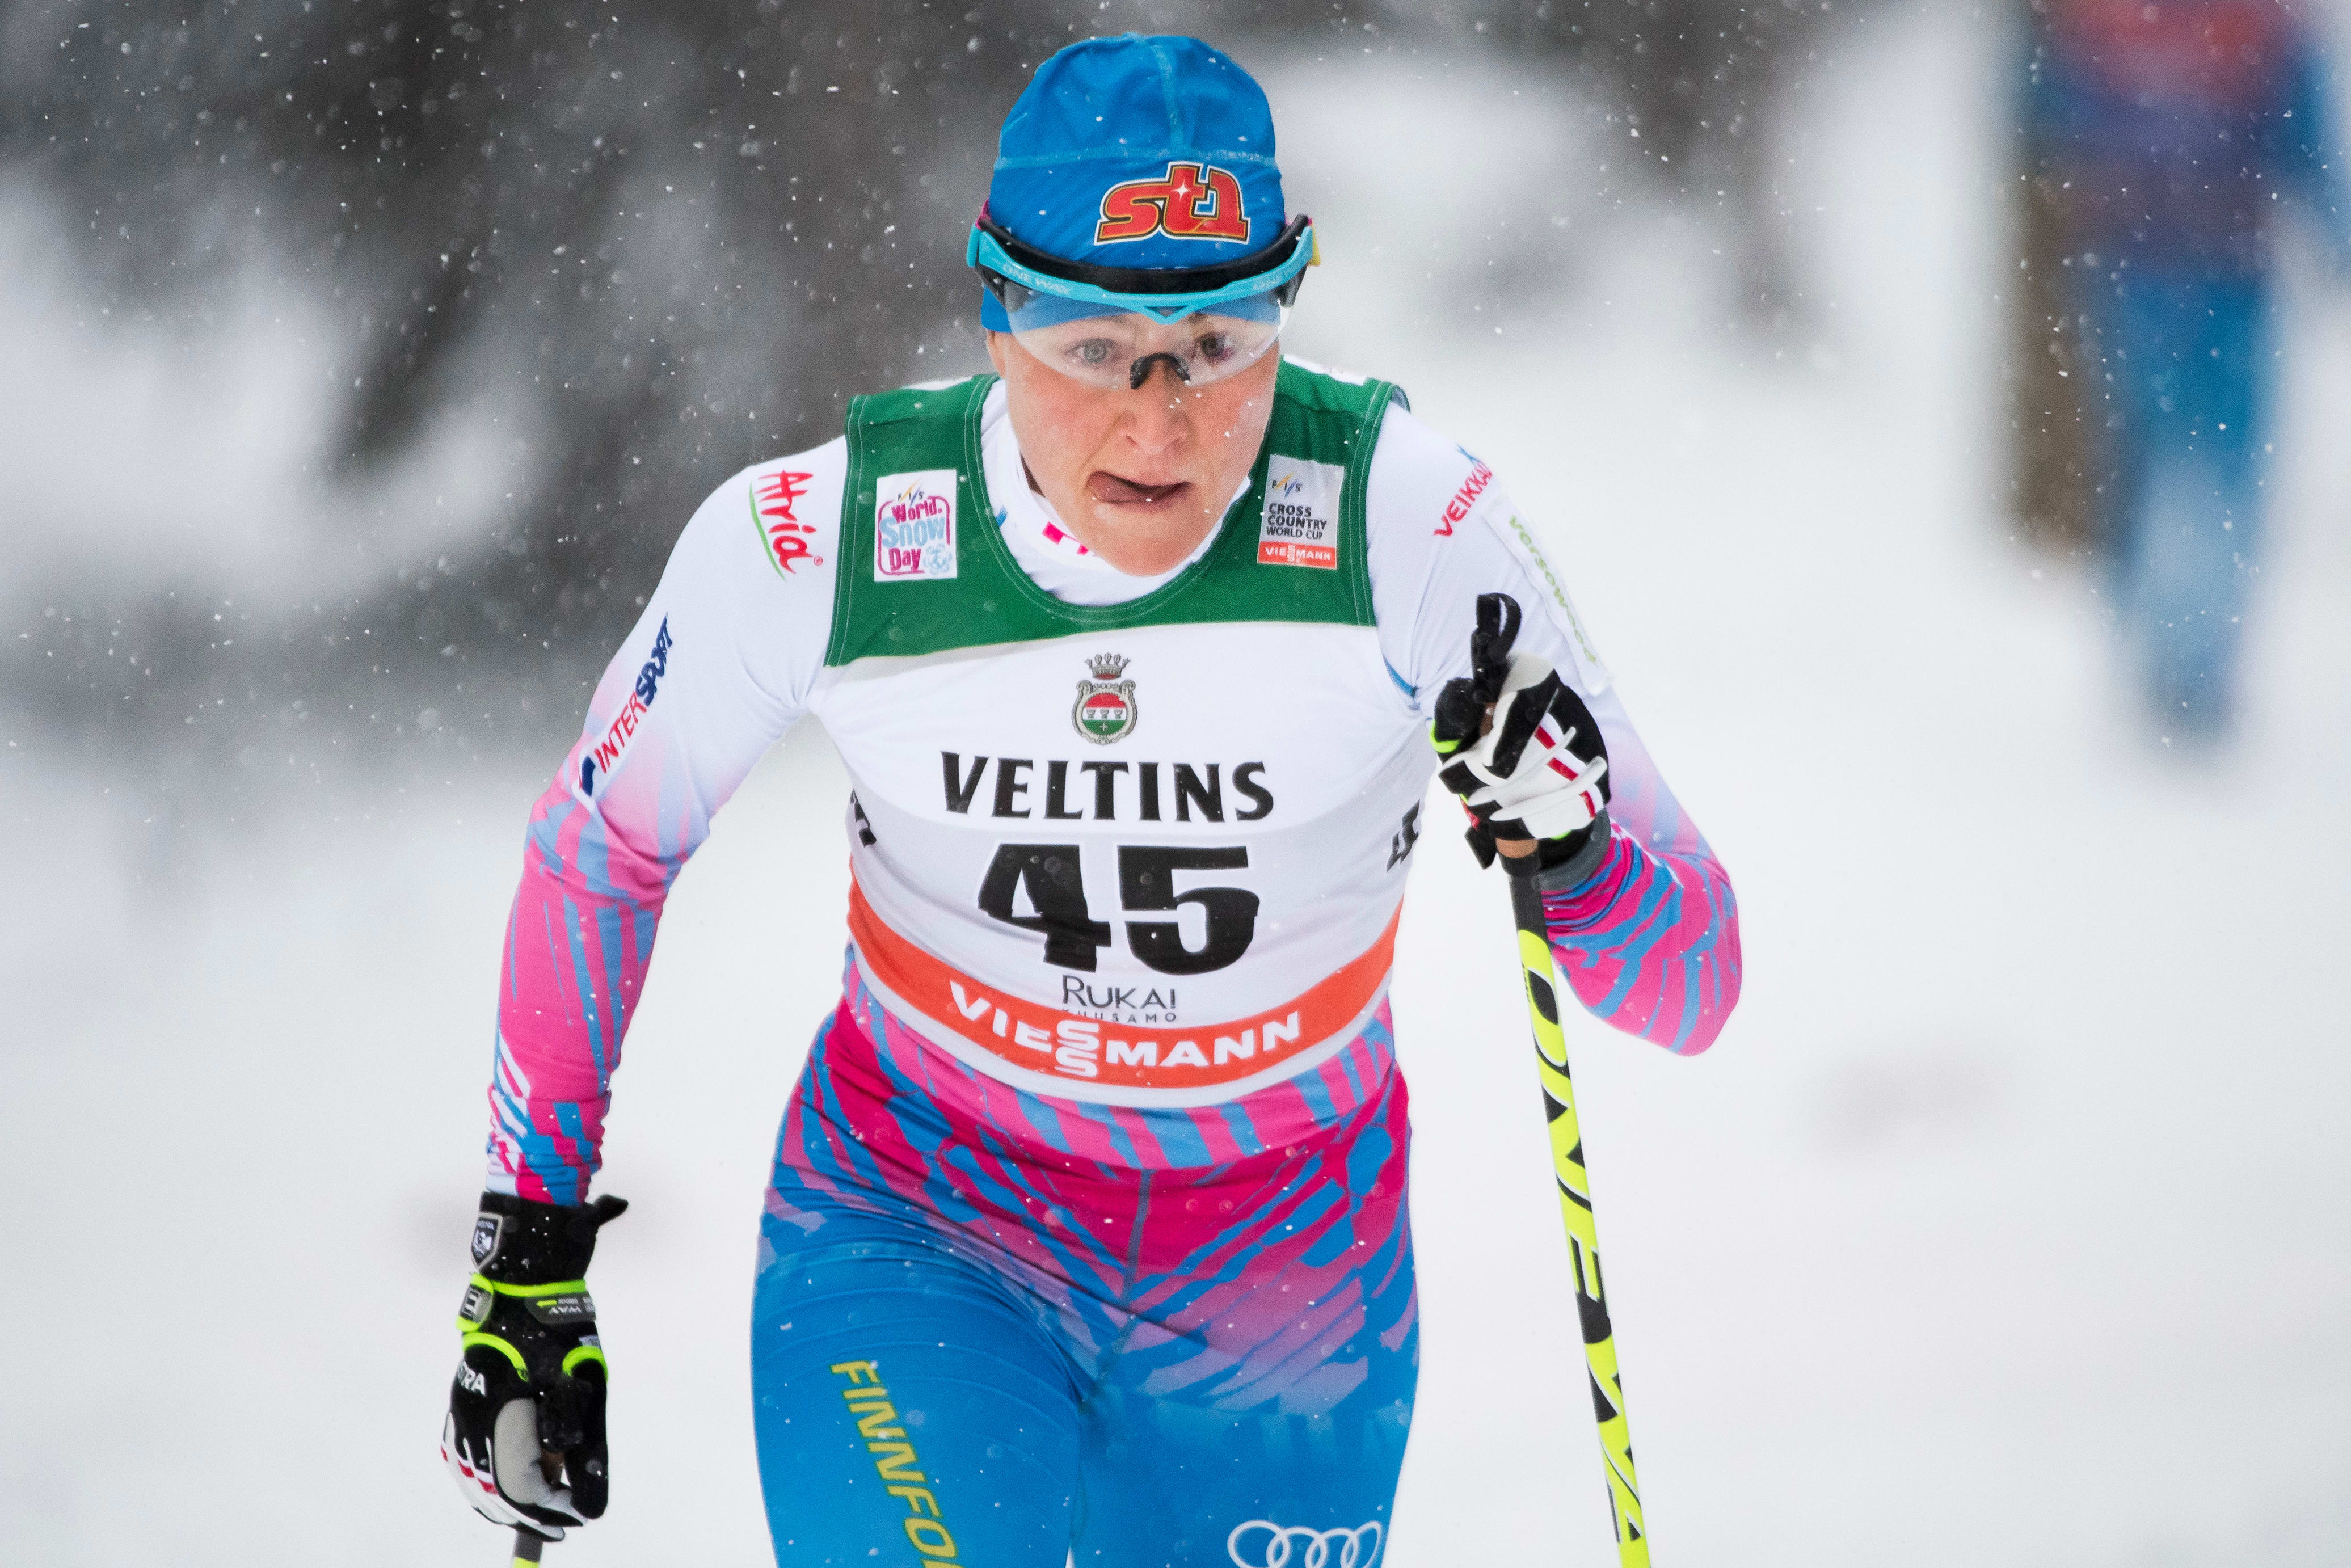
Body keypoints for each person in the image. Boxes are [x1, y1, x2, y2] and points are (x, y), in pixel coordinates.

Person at [439, 33, 1740, 1566]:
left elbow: (1692, 980)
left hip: (1282, 1286)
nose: (1156, 420)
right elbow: (602, 849)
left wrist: (1573, 848)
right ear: (997, 315)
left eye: (1221, 340)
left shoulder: (1414, 528)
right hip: (923, 1222)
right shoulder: (818, 541)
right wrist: (526, 1252)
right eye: (1091, 344)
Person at [2026, 0, 2351, 739]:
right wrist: (2336, 237)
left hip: (2131, 263)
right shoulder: (2261, 22)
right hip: (2230, 269)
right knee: (2224, 469)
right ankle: (2197, 665)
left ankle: (2156, 647)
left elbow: (2051, 113)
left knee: (2142, 461)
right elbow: (2306, 132)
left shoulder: (2108, 18)